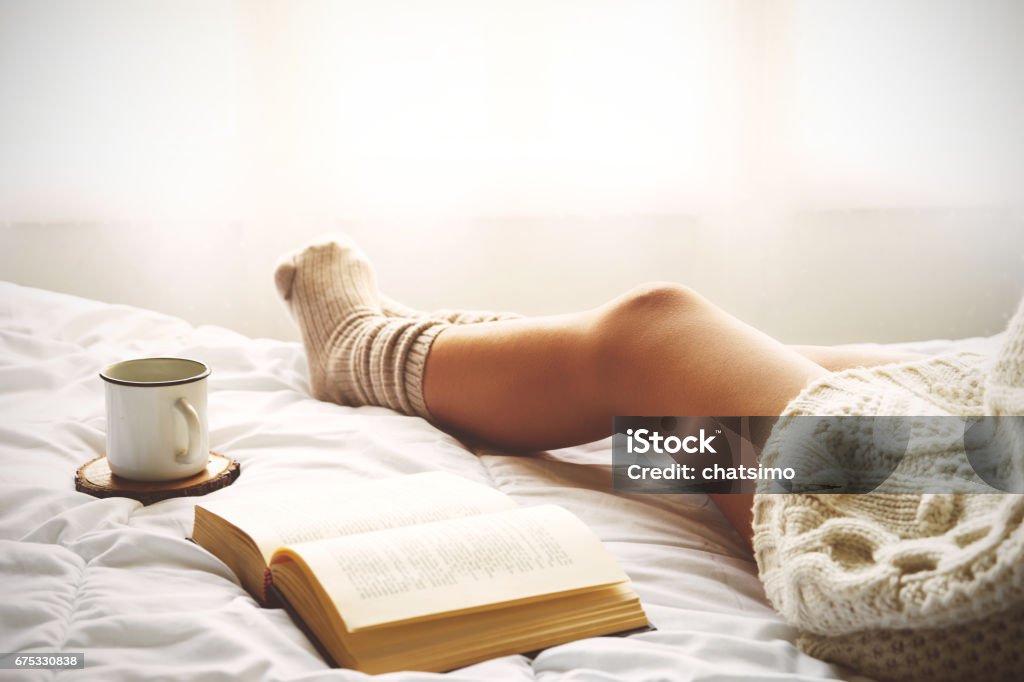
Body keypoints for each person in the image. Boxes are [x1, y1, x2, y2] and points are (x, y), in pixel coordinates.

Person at [274, 234, 1024, 682]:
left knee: (657, 327)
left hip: (989, 556)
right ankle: (500, 355)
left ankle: (362, 353)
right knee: (852, 372)